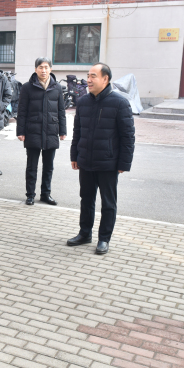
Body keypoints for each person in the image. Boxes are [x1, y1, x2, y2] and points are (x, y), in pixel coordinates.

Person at [67, 63, 135, 255]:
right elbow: (77, 131)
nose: (88, 80)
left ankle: (104, 239)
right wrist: (75, 155)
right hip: (86, 161)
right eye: (88, 76)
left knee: (108, 203)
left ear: (105, 79)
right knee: (86, 199)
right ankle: (84, 233)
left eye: (93, 76)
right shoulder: (83, 102)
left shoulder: (120, 103)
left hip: (108, 162)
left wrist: (124, 163)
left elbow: (128, 136)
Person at [17, 58, 67, 206]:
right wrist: (20, 131)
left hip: (51, 131)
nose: (43, 70)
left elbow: (61, 111)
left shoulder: (57, 88)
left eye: (46, 67)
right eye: (40, 67)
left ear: (50, 69)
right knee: (31, 166)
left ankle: (46, 194)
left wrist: (62, 130)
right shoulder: (27, 87)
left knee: (48, 167)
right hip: (33, 131)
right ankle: (30, 195)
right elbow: (22, 111)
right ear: (35, 69)